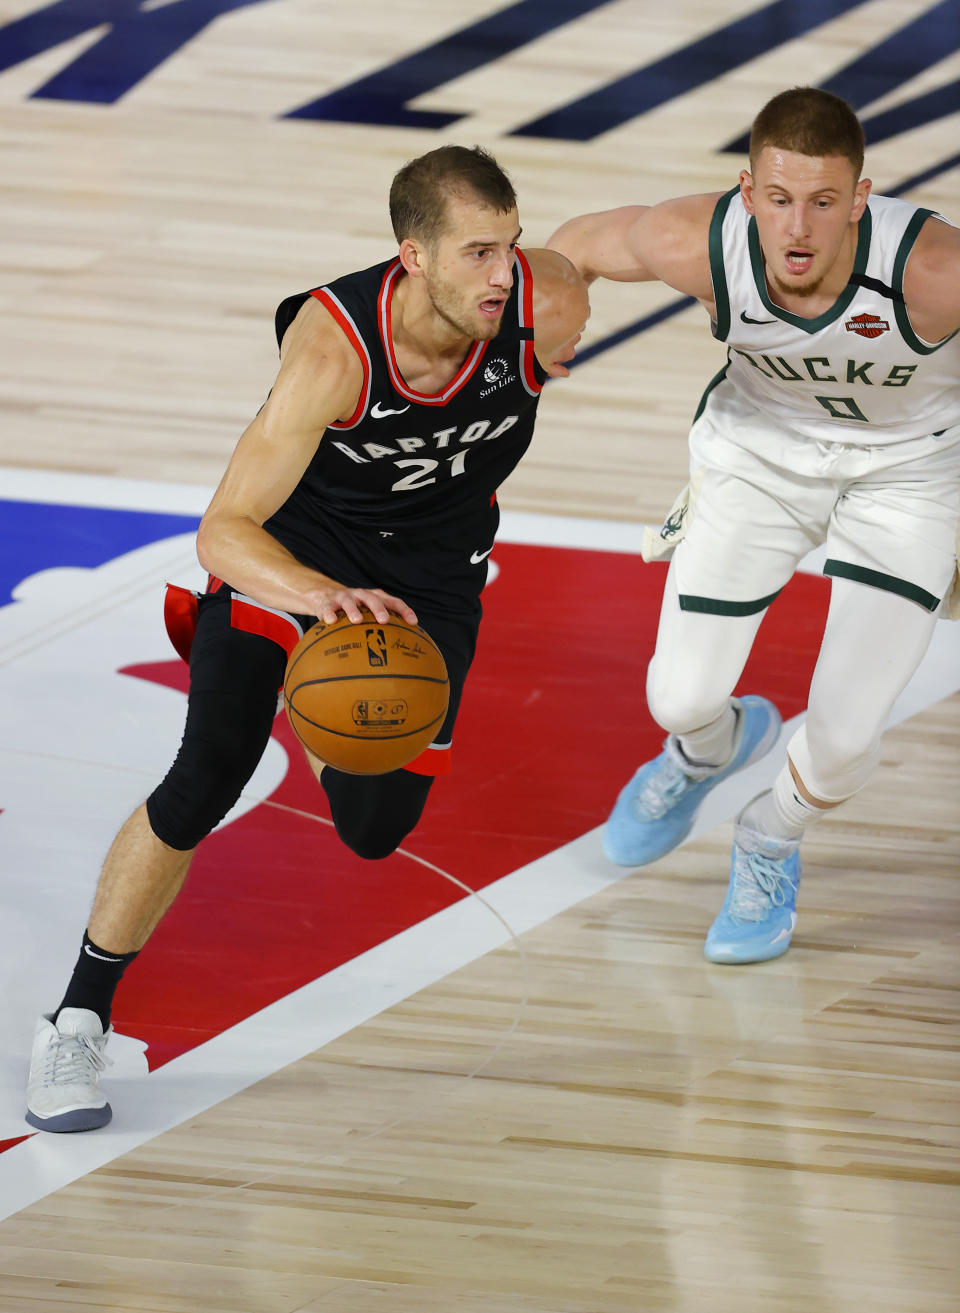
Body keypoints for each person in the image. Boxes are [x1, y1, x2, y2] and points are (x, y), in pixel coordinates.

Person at [26, 145, 589, 1132]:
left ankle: (305, 681)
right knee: (208, 770)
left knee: (376, 830)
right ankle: (78, 1014)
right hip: (294, 556)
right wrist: (322, 599)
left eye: (508, 246)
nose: (503, 274)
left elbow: (632, 241)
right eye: (475, 254)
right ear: (410, 255)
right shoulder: (334, 355)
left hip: (432, 577)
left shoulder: (547, 301)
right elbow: (223, 528)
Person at [548, 87, 960, 965]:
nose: (798, 227)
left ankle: (768, 838)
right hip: (758, 455)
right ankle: (707, 752)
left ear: (862, 197)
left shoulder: (934, 274)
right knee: (679, 699)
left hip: (909, 475)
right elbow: (575, 247)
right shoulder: (693, 241)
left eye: (823, 202)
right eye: (778, 199)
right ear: (746, 192)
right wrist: (545, 330)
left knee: (848, 740)